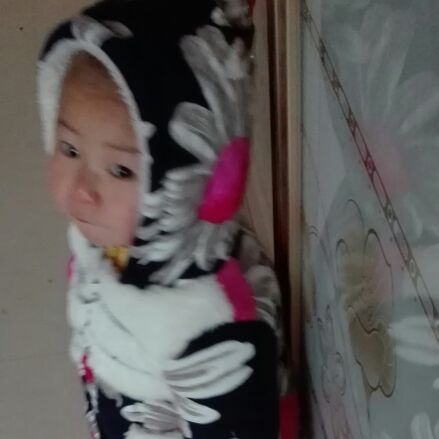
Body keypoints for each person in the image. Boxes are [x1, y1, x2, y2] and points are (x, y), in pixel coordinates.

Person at [37, 0, 297, 437]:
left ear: (193, 175)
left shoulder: (211, 326)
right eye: (70, 149)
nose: (82, 189)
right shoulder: (105, 247)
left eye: (120, 170)